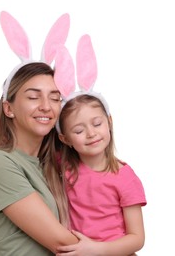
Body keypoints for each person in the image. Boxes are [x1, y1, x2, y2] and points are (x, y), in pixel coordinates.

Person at [0, 12, 80, 255]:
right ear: (9, 108)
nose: (46, 106)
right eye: (33, 97)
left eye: (55, 98)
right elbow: (60, 242)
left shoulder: (50, 166)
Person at [53, 35, 147, 256]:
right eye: (78, 130)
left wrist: (96, 250)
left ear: (109, 122)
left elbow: (137, 239)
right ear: (65, 139)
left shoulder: (124, 175)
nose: (91, 133)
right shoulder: (63, 166)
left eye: (97, 123)